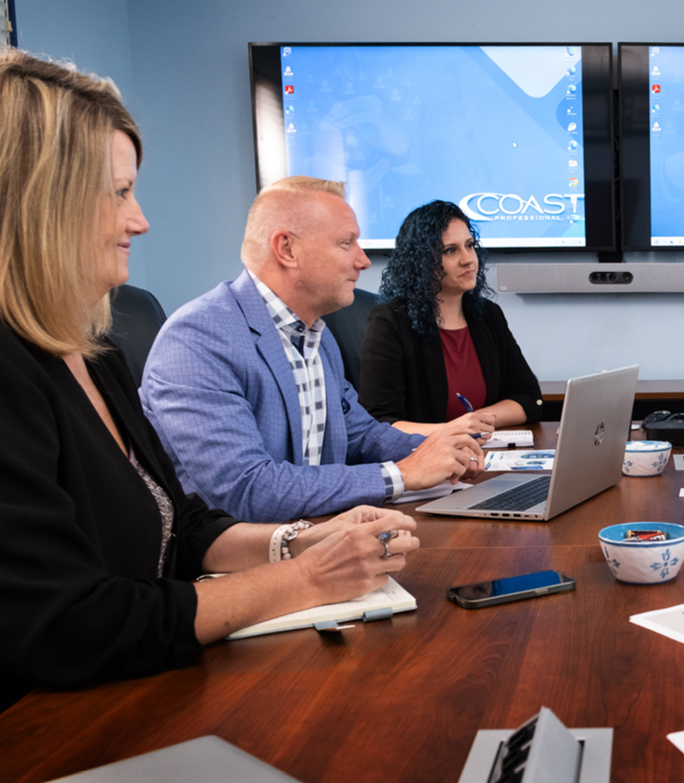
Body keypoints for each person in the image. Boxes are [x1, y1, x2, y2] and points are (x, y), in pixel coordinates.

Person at [0, 51, 421, 709]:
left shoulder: (95, 352)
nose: (139, 220)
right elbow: (70, 625)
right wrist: (305, 576)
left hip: (141, 683)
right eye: (119, 194)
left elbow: (181, 525)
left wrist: (301, 540)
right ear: (37, 202)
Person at [141, 178, 484, 524]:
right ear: (287, 249)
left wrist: (439, 452)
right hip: (233, 559)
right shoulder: (199, 338)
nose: (363, 261)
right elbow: (248, 490)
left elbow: (360, 435)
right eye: (346, 243)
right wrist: (404, 473)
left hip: (315, 537)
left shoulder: (316, 336)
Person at [357, 200, 542, 436]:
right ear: (422, 262)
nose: (468, 259)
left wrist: (474, 421)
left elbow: (529, 398)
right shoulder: (391, 321)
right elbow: (380, 423)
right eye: (450, 250)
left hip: (484, 460)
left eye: (470, 245)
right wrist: (451, 432)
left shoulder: (488, 315)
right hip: (423, 463)